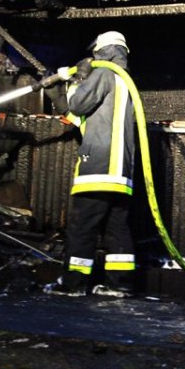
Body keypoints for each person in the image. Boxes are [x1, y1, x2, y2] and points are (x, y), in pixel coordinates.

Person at [44, 30, 138, 296]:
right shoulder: (124, 79)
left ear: (101, 50)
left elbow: (80, 103)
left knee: (82, 226)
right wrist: (57, 96)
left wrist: (77, 79)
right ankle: (120, 285)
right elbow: (84, 119)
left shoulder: (104, 73)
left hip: (99, 165)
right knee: (116, 228)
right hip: (121, 170)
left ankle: (72, 284)